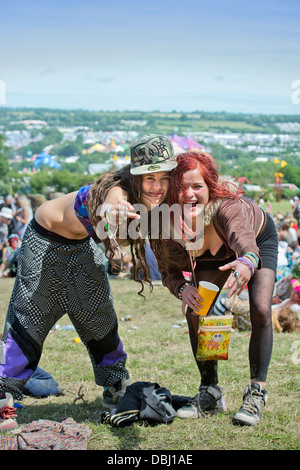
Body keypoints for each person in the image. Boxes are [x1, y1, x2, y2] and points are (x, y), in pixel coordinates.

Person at [0, 134, 177, 433]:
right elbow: (107, 214)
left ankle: (116, 386)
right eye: (149, 178)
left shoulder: (157, 199)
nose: (157, 186)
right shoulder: (117, 192)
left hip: (81, 248)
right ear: (135, 177)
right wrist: (112, 222)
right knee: (29, 319)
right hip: (43, 242)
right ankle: (5, 398)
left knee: (100, 318)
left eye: (164, 177)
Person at [155, 151, 278, 426]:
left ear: (210, 186)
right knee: (196, 311)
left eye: (197, 186)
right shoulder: (166, 221)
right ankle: (210, 391)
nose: (189, 194)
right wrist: (182, 289)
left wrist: (247, 262)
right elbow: (168, 270)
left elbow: (244, 239)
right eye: (181, 187)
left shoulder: (227, 208)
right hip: (211, 257)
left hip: (257, 242)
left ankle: (256, 392)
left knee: (260, 309)